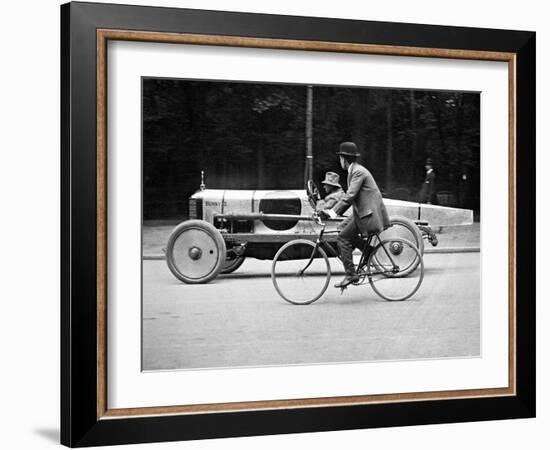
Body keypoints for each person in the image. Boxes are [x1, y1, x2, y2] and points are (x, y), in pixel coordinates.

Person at [319, 142, 390, 288]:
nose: (340, 162)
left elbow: (350, 196)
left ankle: (351, 274)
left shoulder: (357, 172)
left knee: (342, 237)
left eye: (340, 159)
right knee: (342, 227)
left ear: (344, 159)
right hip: (363, 211)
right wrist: (333, 213)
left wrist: (332, 212)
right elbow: (351, 197)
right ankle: (368, 250)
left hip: (367, 214)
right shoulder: (355, 171)